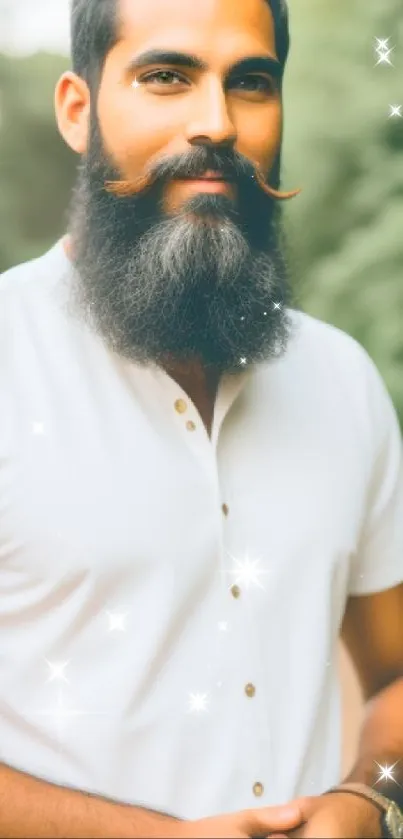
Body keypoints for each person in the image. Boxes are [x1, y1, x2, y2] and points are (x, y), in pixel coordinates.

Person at [0, 0, 402, 836]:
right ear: (78, 111)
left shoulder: (342, 380)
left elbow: (396, 674)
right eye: (166, 77)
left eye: (251, 83)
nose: (215, 123)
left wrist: (367, 796)